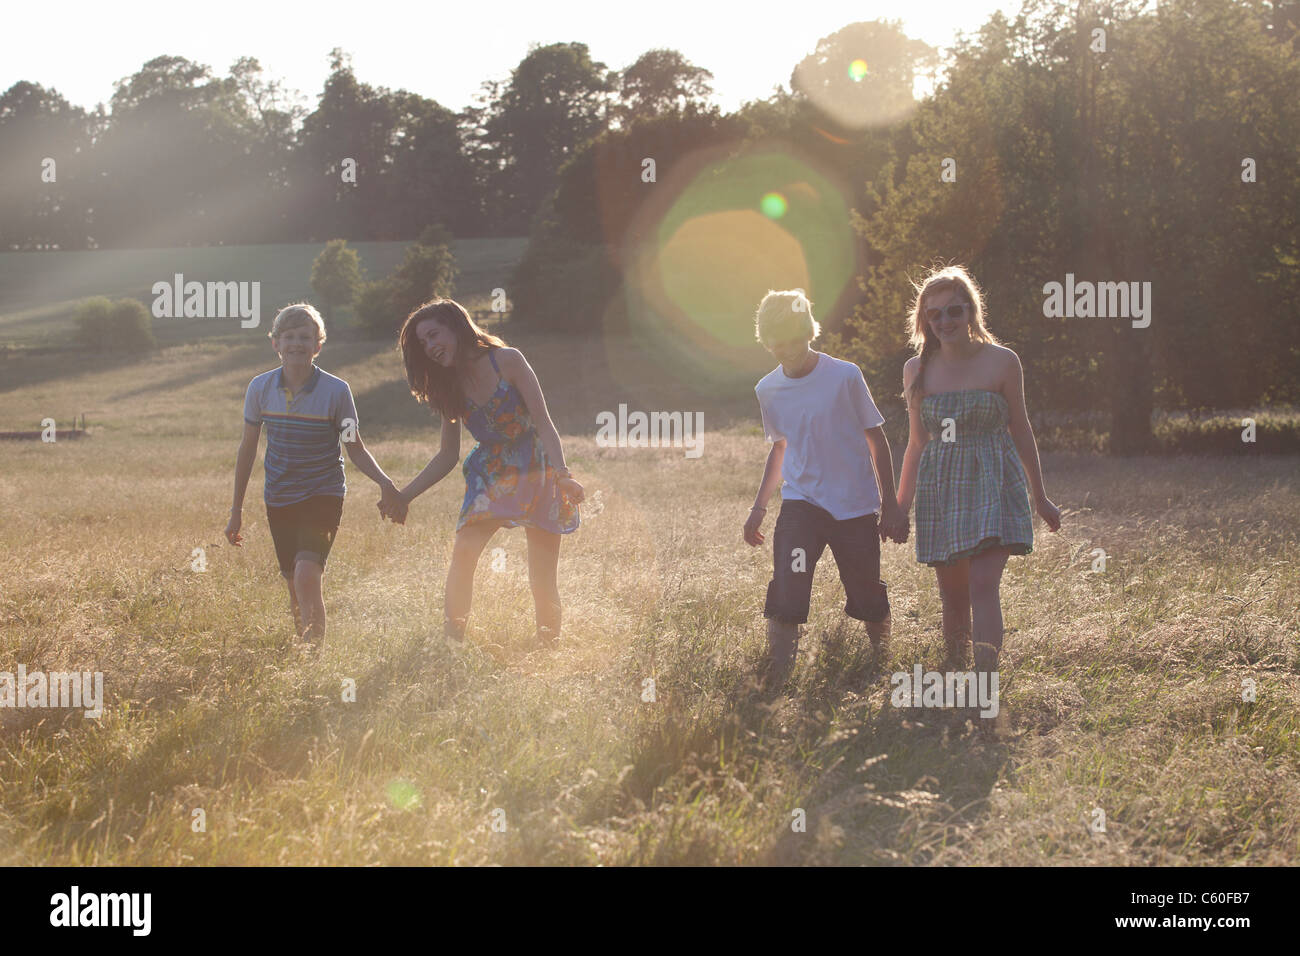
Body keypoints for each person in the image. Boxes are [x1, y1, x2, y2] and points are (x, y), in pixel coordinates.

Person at [382, 299, 583, 646]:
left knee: (542, 572)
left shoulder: (507, 360)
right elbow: (447, 455)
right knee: (463, 554)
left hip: (537, 467)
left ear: (457, 328)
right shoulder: (447, 384)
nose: (429, 347)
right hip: (489, 474)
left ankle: (548, 646)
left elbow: (543, 422)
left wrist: (563, 473)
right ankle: (452, 643)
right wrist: (403, 495)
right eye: (423, 343)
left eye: (434, 335)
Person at [895, 265, 1061, 683]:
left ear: (971, 311)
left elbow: (1020, 428)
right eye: (935, 315)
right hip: (942, 487)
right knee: (953, 596)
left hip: (993, 480)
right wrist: (898, 506)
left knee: (983, 583)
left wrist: (1040, 496)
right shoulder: (916, 370)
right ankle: (955, 679)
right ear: (925, 320)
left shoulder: (1002, 362)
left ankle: (986, 683)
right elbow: (917, 443)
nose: (945, 321)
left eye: (954, 311)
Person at [743, 289, 907, 689]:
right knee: (789, 582)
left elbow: (877, 440)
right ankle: (780, 676)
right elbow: (780, 448)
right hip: (802, 506)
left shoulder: (845, 375)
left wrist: (891, 505)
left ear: (809, 332)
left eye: (794, 338)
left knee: (865, 590)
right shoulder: (767, 388)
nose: (787, 349)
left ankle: (880, 663)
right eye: (777, 342)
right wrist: (759, 507)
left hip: (853, 507)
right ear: (767, 342)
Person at [226, 303, 404, 646]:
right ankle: (303, 649)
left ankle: (314, 656)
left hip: (324, 494)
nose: (296, 343)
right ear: (275, 344)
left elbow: (355, 447)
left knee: (308, 575)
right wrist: (236, 510)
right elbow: (247, 449)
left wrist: (387, 484)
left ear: (317, 345)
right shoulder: (259, 389)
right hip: (278, 497)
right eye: (288, 337)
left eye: (305, 337)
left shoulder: (337, 391)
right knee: (293, 582)